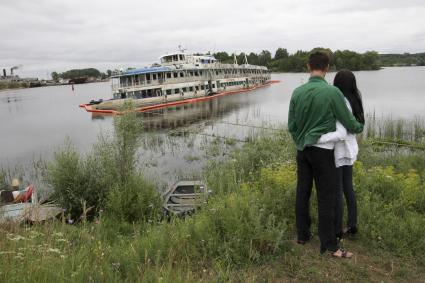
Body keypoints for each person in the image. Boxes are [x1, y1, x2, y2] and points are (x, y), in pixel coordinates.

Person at [288, 51, 364, 258]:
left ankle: (302, 235)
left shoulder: (297, 92)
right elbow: (349, 122)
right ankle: (330, 245)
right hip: (323, 153)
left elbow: (292, 126)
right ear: (327, 68)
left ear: (307, 66)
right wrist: (359, 126)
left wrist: (302, 140)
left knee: (302, 192)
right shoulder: (333, 93)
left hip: (302, 151)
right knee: (326, 197)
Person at [317, 70, 364, 238]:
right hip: (350, 148)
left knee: (337, 190)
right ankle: (352, 224)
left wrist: (319, 138)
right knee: (348, 188)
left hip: (339, 149)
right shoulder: (355, 99)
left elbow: (341, 130)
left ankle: (337, 230)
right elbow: (357, 125)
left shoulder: (341, 100)